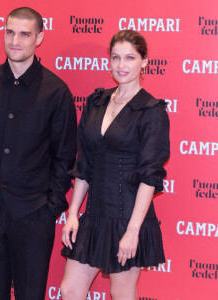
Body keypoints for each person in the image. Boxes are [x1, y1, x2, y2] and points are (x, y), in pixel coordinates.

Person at [0, 7, 77, 300]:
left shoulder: (56, 92)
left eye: (24, 33)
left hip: (34, 216)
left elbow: (64, 156)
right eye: (10, 32)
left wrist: (50, 209)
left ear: (40, 38)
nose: (15, 40)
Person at [61, 30, 170, 300]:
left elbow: (149, 176)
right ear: (108, 61)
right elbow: (85, 163)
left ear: (144, 62)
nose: (121, 65)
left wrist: (132, 231)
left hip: (129, 216)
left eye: (130, 58)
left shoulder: (151, 110)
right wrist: (74, 212)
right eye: (116, 57)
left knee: (121, 293)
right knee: (70, 289)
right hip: (95, 214)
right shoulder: (95, 102)